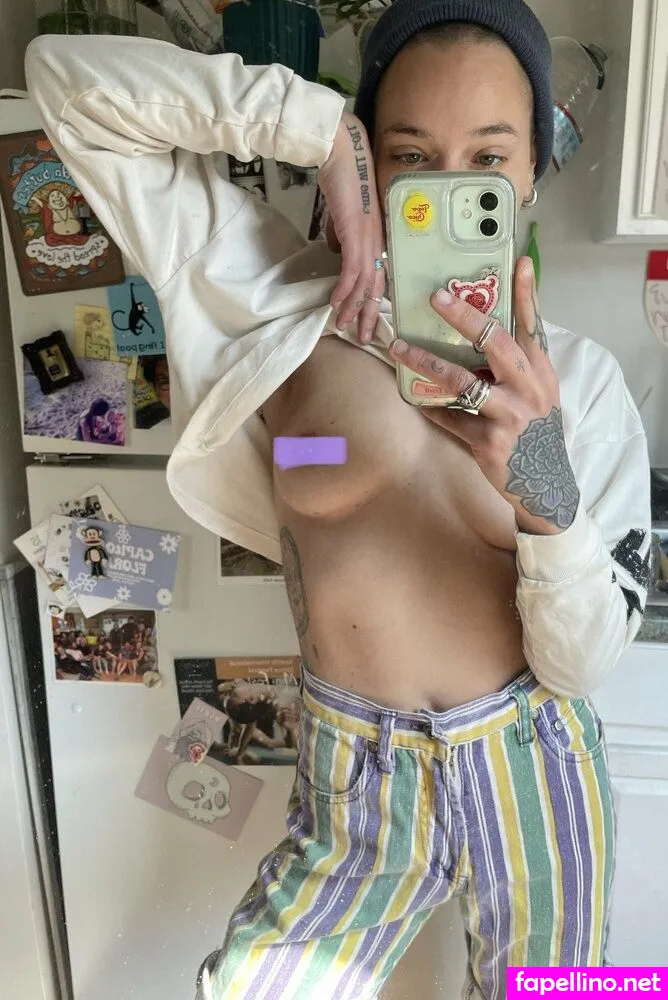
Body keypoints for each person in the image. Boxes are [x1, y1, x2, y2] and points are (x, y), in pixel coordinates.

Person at [26, 2, 651, 996]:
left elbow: (581, 668)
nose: (446, 188)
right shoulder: (270, 300)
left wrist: (541, 484)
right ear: (369, 160)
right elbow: (63, 80)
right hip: (357, 778)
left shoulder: (580, 382)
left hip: (536, 760)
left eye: (487, 160)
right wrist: (316, 131)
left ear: (533, 167)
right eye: (409, 156)